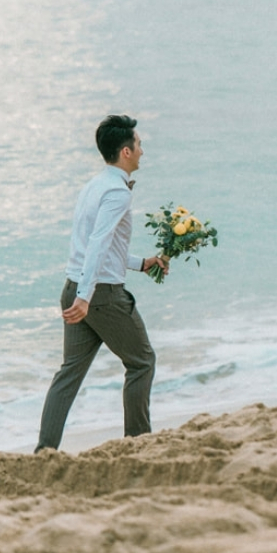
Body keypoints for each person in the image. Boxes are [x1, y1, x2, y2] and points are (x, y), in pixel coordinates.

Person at [36, 114, 169, 452]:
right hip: (100, 295)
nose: (142, 150)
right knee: (142, 362)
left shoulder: (94, 186)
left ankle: (44, 451)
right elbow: (97, 243)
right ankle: (138, 444)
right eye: (139, 145)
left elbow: (99, 247)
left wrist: (142, 264)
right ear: (125, 152)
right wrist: (86, 296)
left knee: (68, 374)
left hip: (76, 286)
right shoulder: (117, 193)